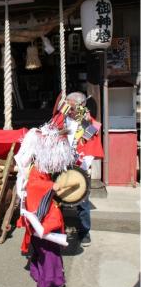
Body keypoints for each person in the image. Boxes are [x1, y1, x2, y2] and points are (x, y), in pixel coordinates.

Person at [15, 124, 74, 287]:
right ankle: (50, 281)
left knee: (43, 249)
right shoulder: (35, 170)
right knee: (48, 251)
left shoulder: (39, 167)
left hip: (44, 212)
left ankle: (38, 272)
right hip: (42, 217)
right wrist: (52, 186)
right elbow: (35, 186)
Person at [51, 91, 104, 247]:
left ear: (79, 106)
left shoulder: (89, 124)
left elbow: (90, 150)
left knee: (82, 202)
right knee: (57, 199)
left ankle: (84, 232)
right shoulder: (61, 119)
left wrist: (80, 166)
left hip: (79, 167)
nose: (66, 107)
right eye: (66, 104)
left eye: (70, 105)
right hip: (61, 165)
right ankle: (56, 228)